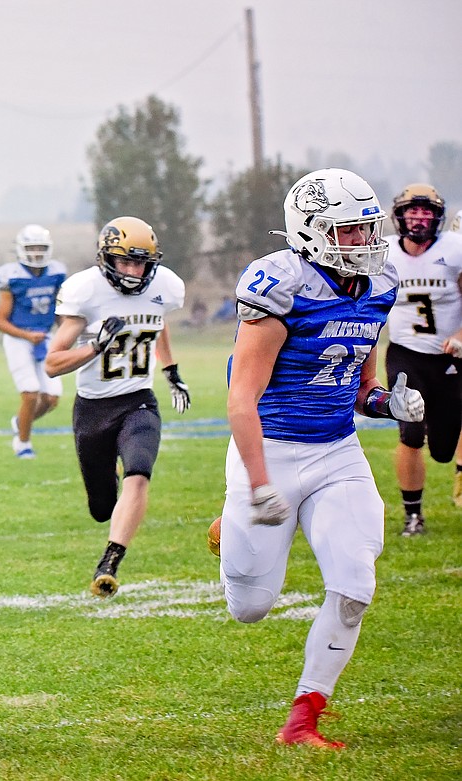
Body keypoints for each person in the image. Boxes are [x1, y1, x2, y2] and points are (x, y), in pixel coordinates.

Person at [218, 168, 424, 748]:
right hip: (272, 449)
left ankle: (304, 716)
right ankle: (229, 523)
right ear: (310, 231)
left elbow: (360, 385)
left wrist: (390, 403)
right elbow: (241, 399)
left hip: (336, 450)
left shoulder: (379, 284)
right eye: (349, 231)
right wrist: (258, 484)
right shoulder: (280, 285)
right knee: (251, 608)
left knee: (355, 584)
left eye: (367, 228)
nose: (365, 242)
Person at [44, 216, 189, 597]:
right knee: (101, 506)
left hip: (139, 401)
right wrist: (94, 347)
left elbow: (157, 323)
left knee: (139, 472)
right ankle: (108, 519)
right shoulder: (85, 291)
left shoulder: (165, 287)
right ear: (106, 259)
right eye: (125, 261)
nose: (132, 270)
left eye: (140, 262)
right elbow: (52, 363)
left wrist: (171, 370)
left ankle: (110, 560)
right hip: (92, 409)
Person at [382, 184, 462, 530]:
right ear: (399, 215)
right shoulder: (383, 253)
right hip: (404, 355)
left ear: (437, 217)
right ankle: (413, 515)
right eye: (412, 211)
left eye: (426, 211)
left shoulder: (455, 249)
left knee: (444, 448)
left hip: (449, 358)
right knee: (411, 434)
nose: (419, 217)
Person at [0, 224, 67, 458]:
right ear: (21, 250)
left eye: (40, 248)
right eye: (31, 248)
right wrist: (27, 335)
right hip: (18, 338)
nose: (36, 253)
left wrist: (67, 331)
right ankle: (23, 444)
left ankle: (20, 422)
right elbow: (0, 322)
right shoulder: (12, 277)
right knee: (30, 393)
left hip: (45, 337)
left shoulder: (56, 273)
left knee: (51, 398)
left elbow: (59, 312)